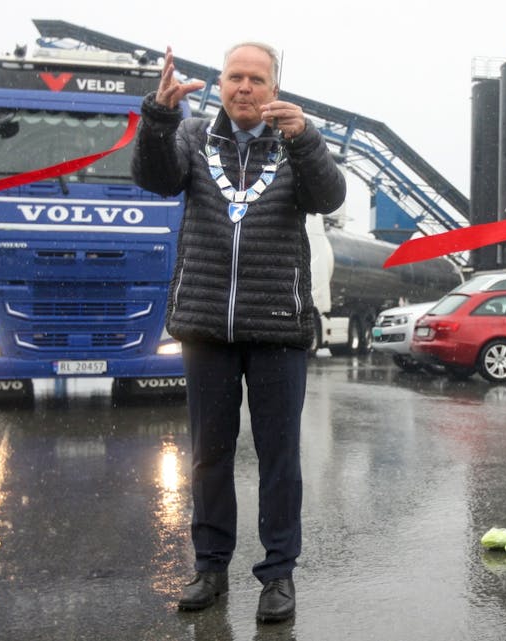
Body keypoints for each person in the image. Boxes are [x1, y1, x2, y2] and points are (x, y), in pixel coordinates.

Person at [131, 42, 346, 623]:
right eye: (234, 77)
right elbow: (155, 178)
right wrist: (158, 118)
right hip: (207, 327)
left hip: (276, 326)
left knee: (279, 459)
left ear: (275, 88)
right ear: (220, 84)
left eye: (256, 78)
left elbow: (329, 195)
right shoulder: (192, 135)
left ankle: (278, 575)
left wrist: (307, 139)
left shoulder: (294, 140)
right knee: (209, 457)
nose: (244, 87)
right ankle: (210, 568)